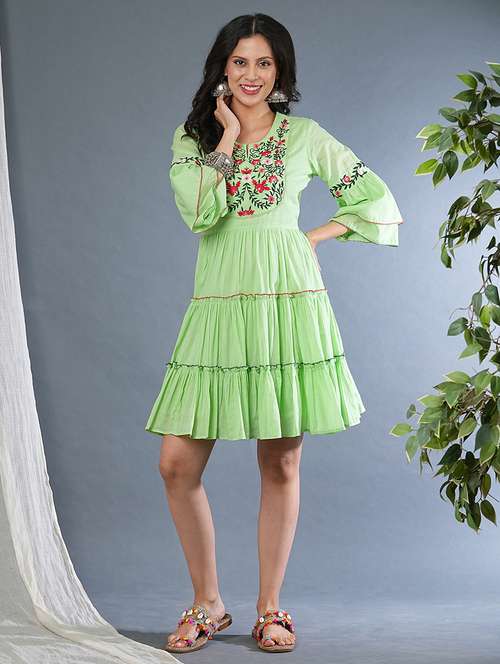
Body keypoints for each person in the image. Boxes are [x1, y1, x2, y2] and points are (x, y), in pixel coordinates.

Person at [144, 12, 403, 655]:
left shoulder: (305, 136)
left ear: (280, 70)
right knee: (176, 464)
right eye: (240, 62)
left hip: (287, 303)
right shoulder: (194, 138)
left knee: (281, 460)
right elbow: (199, 213)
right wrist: (228, 137)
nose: (252, 74)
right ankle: (208, 602)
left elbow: (375, 200)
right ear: (222, 68)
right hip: (219, 303)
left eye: (264, 62)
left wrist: (310, 237)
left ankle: (270, 608)